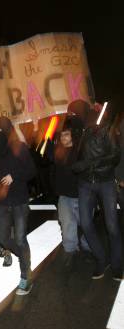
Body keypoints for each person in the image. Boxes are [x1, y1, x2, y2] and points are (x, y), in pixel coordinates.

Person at [0, 116, 36, 295]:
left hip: (19, 200)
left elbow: (31, 171)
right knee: (4, 238)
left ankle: (25, 275)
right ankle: (25, 258)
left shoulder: (18, 147)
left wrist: (14, 176)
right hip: (3, 202)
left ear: (6, 129)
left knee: (20, 238)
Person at [70, 100, 122, 281]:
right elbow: (75, 158)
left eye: (74, 113)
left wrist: (92, 163)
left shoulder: (105, 128)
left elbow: (116, 156)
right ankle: (102, 259)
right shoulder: (78, 131)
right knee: (85, 223)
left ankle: (117, 264)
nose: (72, 117)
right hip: (85, 183)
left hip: (105, 182)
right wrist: (76, 165)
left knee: (112, 226)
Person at [48, 117, 90, 267]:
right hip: (64, 197)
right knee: (67, 225)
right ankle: (70, 251)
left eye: (66, 134)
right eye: (62, 135)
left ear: (73, 135)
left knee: (86, 224)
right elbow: (44, 154)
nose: (63, 137)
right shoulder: (57, 152)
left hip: (81, 196)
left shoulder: (80, 152)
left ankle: (87, 246)